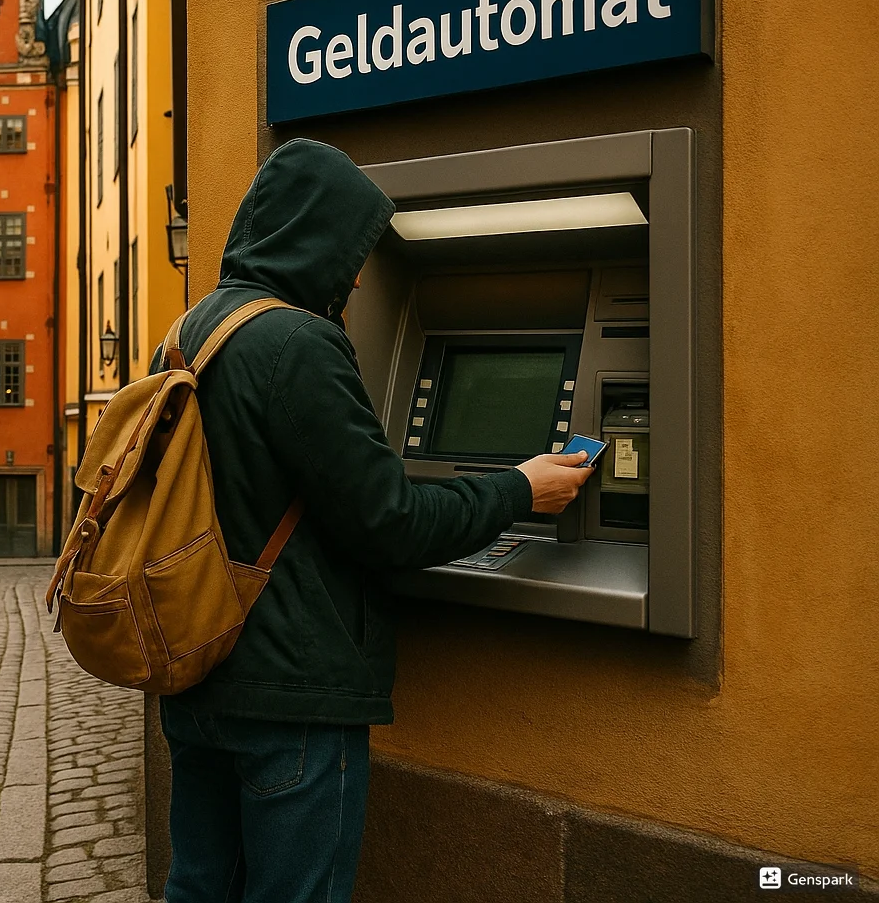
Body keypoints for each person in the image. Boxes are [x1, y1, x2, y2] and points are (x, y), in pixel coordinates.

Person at [157, 138, 592, 903]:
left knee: (200, 890)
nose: (359, 274)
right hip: (290, 697)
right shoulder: (298, 343)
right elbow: (389, 522)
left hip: (199, 674)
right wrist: (520, 489)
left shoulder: (192, 331)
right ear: (316, 238)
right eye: (353, 249)